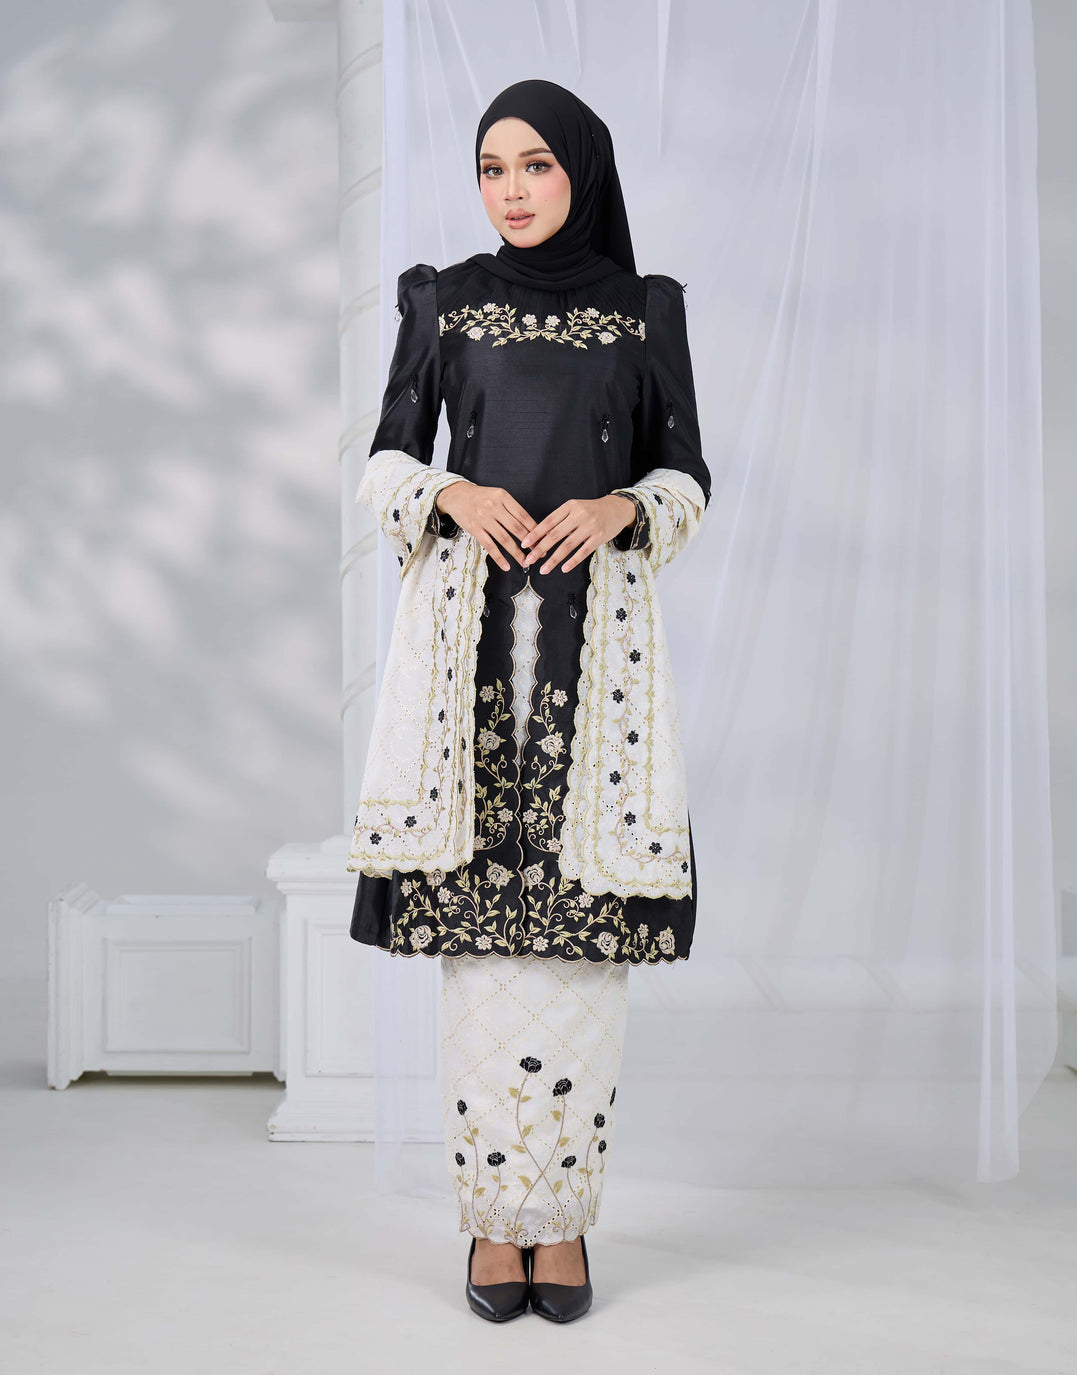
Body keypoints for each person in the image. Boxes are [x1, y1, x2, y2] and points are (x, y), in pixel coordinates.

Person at [346, 78, 711, 1323]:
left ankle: (564, 1223)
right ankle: (490, 1224)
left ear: (582, 172)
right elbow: (386, 457)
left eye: (536, 165)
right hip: (469, 663)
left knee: (579, 953)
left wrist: (621, 507)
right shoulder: (441, 300)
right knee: (485, 959)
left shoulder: (643, 310)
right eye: (491, 167)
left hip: (595, 667)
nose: (509, 189)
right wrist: (447, 493)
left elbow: (685, 472)